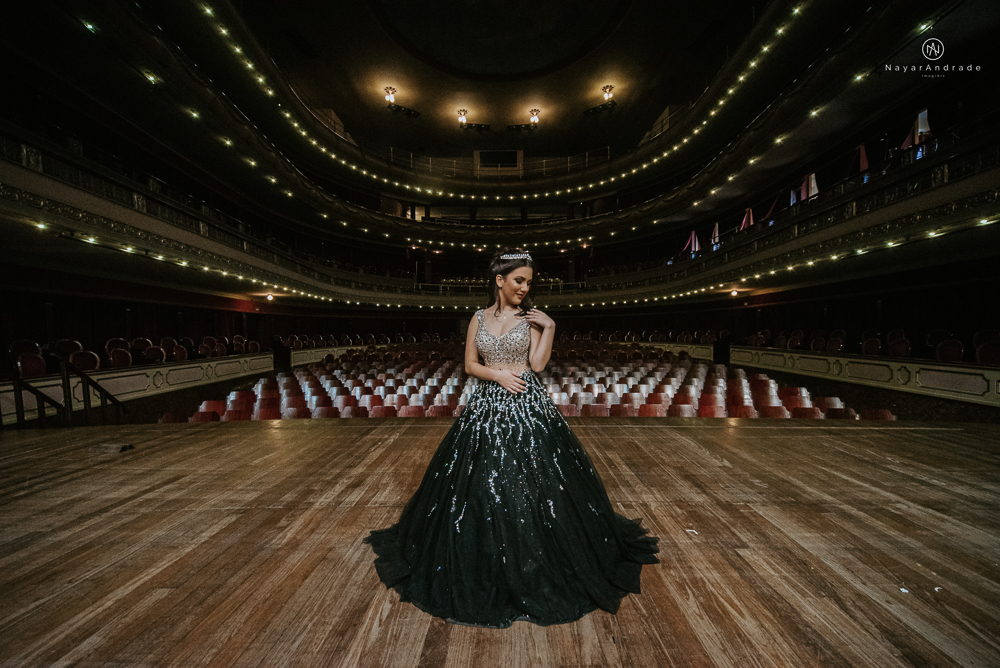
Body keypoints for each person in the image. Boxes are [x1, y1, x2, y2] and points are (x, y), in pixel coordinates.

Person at [364, 248, 658, 628]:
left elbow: (536, 365)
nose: (524, 287)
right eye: (519, 280)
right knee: (480, 480)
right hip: (488, 402)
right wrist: (498, 375)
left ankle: (537, 559)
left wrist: (549, 328)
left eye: (529, 282)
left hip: (527, 404)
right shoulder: (477, 318)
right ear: (499, 281)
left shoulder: (532, 319)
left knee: (537, 481)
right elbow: (471, 365)